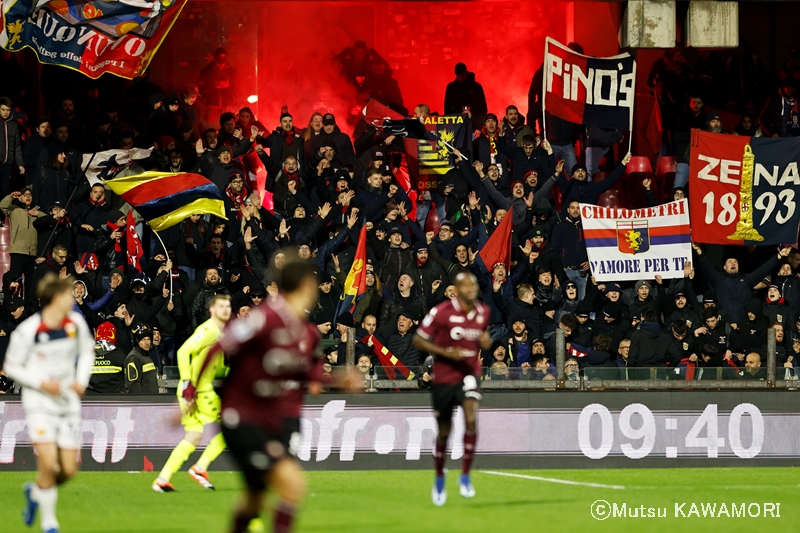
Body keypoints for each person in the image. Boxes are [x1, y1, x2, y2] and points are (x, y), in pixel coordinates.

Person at [195, 258, 337, 533]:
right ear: (307, 285)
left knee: (255, 499)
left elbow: (307, 371)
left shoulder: (306, 331)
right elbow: (220, 346)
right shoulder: (268, 316)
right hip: (243, 416)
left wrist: (332, 379)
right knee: (292, 484)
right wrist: (192, 390)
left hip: (275, 417)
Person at [3, 273, 94, 533]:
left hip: (67, 403)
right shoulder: (29, 329)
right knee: (48, 463)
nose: (73, 297)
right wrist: (41, 383)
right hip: (39, 403)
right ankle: (49, 523)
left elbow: (87, 350)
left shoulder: (75, 322)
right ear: (56, 299)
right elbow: (10, 366)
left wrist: (81, 380)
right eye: (68, 294)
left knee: (68, 471)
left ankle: (35, 493)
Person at [412, 271, 492, 506]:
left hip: (469, 372)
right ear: (457, 290)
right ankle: (439, 476)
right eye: (466, 286)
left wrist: (485, 341)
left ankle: (465, 475)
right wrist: (445, 353)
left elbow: (480, 336)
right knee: (444, 431)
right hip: (444, 377)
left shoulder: (483, 311)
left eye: (474, 285)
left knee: (470, 417)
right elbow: (418, 339)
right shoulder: (442, 311)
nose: (472, 289)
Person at [153, 295, 232, 492]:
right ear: (212, 310)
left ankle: (162, 479)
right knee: (231, 428)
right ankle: (200, 467)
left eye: (228, 306)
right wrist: (188, 381)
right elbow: (182, 351)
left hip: (194, 391)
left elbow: (217, 368)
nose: (225, 309)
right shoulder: (209, 330)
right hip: (198, 391)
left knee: (193, 436)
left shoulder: (220, 333)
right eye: (221, 306)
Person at [124, 323, 159, 394]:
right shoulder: (134, 357)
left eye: (148, 339)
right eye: (143, 340)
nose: (147, 342)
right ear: (136, 341)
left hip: (152, 401)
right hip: (144, 403)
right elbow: (133, 385)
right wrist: (142, 402)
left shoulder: (146, 356)